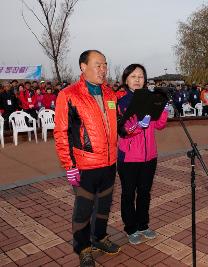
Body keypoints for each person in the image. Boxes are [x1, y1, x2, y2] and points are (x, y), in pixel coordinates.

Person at [54, 50, 120, 267]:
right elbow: (61, 132)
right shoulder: (69, 94)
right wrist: (68, 164)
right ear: (83, 67)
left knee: (104, 206)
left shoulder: (110, 94)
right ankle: (82, 247)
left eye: (105, 65)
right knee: (83, 210)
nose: (103, 69)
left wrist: (133, 125)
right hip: (84, 165)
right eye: (98, 65)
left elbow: (116, 124)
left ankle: (99, 238)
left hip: (109, 163)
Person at [116, 63, 168, 245]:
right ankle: (130, 228)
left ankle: (143, 225)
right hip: (129, 157)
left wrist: (163, 111)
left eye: (140, 76)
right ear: (126, 80)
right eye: (133, 76)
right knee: (128, 194)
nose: (137, 80)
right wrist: (137, 126)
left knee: (145, 192)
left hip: (149, 156)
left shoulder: (151, 99)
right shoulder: (121, 102)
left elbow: (160, 126)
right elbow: (121, 129)